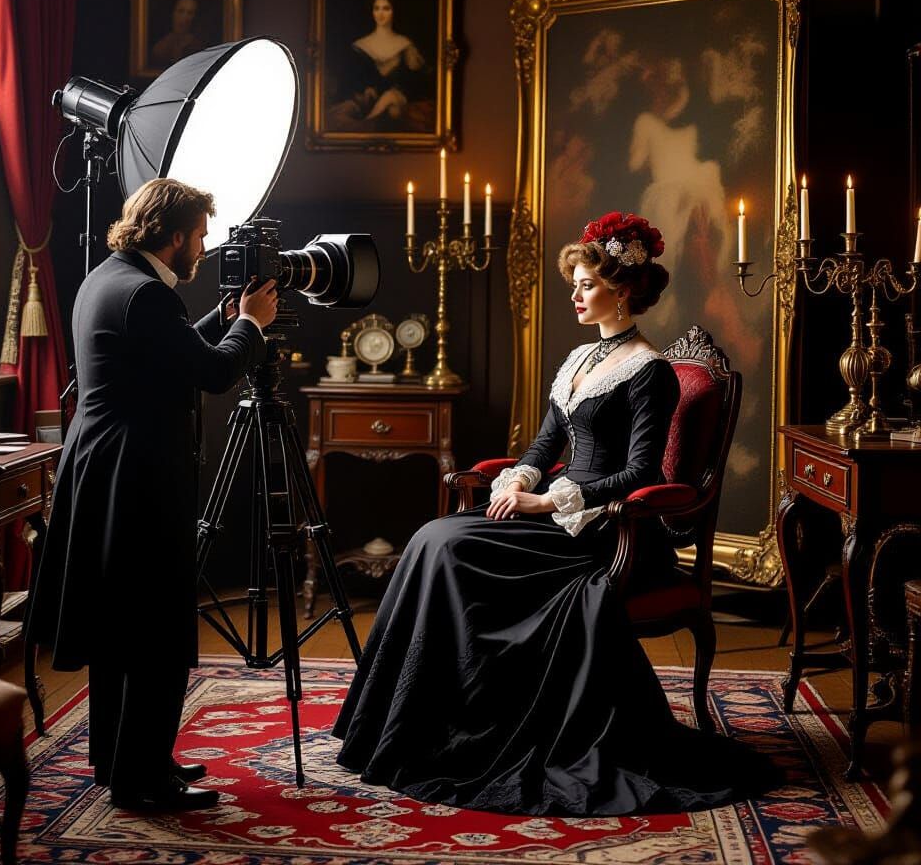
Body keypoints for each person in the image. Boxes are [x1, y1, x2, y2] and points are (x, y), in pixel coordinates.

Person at [333, 210, 778, 816]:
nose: (574, 293)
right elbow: (546, 446)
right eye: (574, 281)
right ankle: (421, 726)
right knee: (434, 537)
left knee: (451, 546)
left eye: (587, 284)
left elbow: (642, 475)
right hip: (560, 512)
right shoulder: (579, 361)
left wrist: (544, 500)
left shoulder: (650, 372)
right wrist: (516, 479)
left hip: (607, 529)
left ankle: (467, 730)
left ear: (623, 290)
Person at [28, 178, 278, 813]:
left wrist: (218, 322)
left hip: (105, 470)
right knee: (155, 630)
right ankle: (143, 780)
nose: (202, 247)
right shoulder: (145, 295)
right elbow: (215, 372)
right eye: (198, 235)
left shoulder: (109, 279)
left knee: (122, 627)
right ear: (172, 235)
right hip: (137, 477)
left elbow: (165, 352)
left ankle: (122, 759)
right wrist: (249, 327)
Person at [327, 0, 430, 132]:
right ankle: (366, 122)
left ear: (394, 11)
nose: (380, 14)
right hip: (367, 102)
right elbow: (351, 81)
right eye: (377, 8)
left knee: (392, 104)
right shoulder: (360, 45)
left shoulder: (405, 44)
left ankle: (366, 123)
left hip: (396, 98)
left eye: (386, 8)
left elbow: (416, 82)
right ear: (372, 11)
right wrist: (366, 90)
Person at [150, 0, 204, 69]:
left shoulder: (198, 46)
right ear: (173, 13)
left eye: (190, 13)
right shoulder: (161, 46)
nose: (184, 17)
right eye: (181, 11)